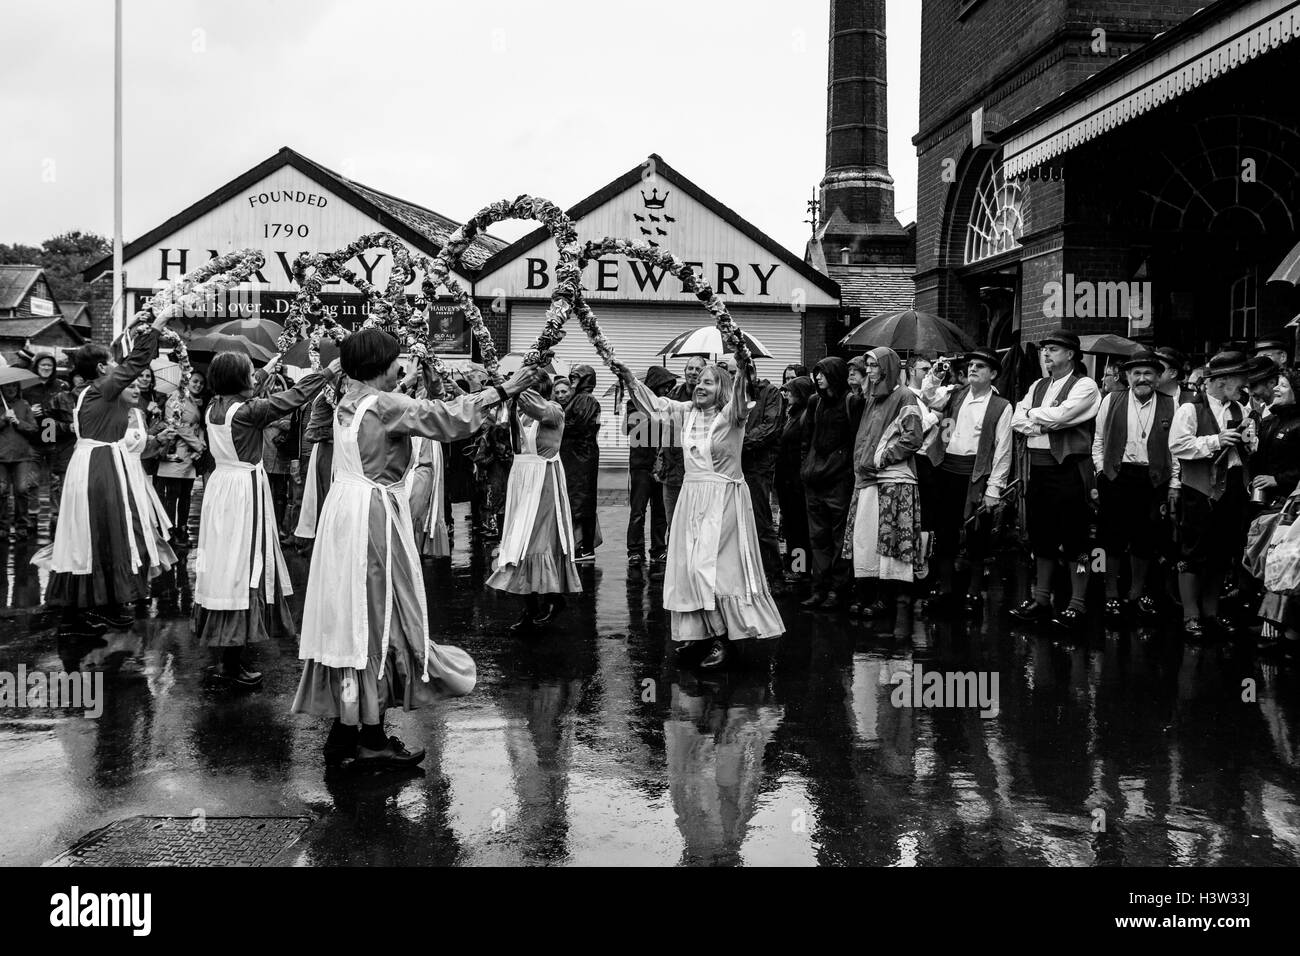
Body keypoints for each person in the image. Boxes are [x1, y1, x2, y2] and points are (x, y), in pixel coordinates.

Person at [292, 329, 544, 769]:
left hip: (344, 515)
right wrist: (502, 390)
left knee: (353, 619)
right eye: (394, 361)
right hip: (372, 517)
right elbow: (444, 417)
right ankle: (368, 738)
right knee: (381, 618)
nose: (399, 368)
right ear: (379, 365)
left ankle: (348, 727)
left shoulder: (347, 400)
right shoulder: (384, 403)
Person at [614, 355, 783, 670]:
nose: (700, 386)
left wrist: (743, 362)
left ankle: (725, 639)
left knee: (716, 571)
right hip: (692, 499)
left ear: (723, 389)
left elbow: (741, 392)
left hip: (724, 501)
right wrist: (629, 378)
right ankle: (699, 635)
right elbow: (655, 406)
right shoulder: (686, 413)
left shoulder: (733, 416)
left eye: (709, 381)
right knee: (690, 569)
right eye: (699, 381)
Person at [193, 352, 338, 687]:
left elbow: (256, 390)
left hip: (222, 489)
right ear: (238, 379)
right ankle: (232, 662)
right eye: (248, 371)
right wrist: (328, 372)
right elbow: (295, 397)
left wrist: (268, 369)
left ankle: (226, 652)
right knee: (246, 567)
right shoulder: (248, 412)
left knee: (225, 568)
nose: (252, 375)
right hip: (244, 491)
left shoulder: (215, 405)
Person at [38, 322, 177, 632]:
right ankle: (100, 603)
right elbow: (136, 363)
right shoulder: (100, 388)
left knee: (94, 532)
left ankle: (96, 601)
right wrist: (155, 326)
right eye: (112, 363)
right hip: (99, 464)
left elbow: (130, 365)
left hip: (95, 461)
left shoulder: (93, 390)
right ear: (102, 368)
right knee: (102, 530)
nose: (118, 367)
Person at [1009, 330, 1102, 631]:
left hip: (1070, 470)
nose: (1046, 354)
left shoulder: (1085, 385)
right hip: (1038, 469)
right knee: (1042, 535)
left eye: (1054, 349)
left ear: (1071, 354)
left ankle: (1077, 604)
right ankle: (1042, 598)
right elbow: (1016, 419)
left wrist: (1035, 419)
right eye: (1044, 349)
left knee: (1077, 540)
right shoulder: (1037, 384)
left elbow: (1063, 416)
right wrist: (1042, 422)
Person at [1169, 351, 1257, 639]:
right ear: (1222, 380)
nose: (1244, 384)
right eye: (1239, 378)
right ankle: (1190, 616)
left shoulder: (1240, 410)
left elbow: (1247, 449)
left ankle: (1211, 613)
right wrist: (1215, 440)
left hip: (1232, 487)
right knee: (1193, 553)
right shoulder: (1190, 409)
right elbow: (1178, 446)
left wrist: (1249, 442)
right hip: (1199, 489)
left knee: (1222, 552)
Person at [919, 347, 1012, 616]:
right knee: (945, 531)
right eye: (971, 365)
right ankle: (946, 588)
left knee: (976, 534)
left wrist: (994, 489)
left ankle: (973, 591)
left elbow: (1003, 450)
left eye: (980, 367)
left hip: (976, 474)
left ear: (993, 374)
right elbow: (929, 397)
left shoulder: (1001, 406)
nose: (973, 369)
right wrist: (935, 376)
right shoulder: (954, 394)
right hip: (946, 469)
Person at [488, 374, 581, 630]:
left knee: (534, 544)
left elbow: (535, 407)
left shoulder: (553, 410)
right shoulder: (518, 412)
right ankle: (529, 609)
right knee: (518, 544)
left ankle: (551, 598)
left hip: (544, 483)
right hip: (521, 482)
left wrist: (515, 386)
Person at [1090, 349, 1176, 623]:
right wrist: (1101, 473)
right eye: (1136, 373)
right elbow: (1098, 441)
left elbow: (1175, 451)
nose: (1142, 378)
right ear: (1127, 376)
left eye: (1148, 373)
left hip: (1152, 480)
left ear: (1158, 377)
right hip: (1116, 476)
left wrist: (1173, 483)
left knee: (1145, 539)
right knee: (1109, 538)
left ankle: (1136, 593)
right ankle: (1110, 592)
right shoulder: (1111, 400)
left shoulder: (1171, 404)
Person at [843, 348, 925, 625]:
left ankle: (886, 597)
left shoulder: (905, 396)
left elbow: (913, 437)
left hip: (893, 479)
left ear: (888, 368)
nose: (869, 370)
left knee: (888, 539)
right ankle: (866, 593)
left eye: (874, 365)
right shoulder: (872, 398)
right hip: (867, 479)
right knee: (866, 538)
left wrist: (883, 458)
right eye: (867, 365)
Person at [800, 357, 859, 610]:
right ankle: (819, 588)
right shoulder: (815, 402)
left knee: (838, 539)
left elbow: (856, 440)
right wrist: (806, 466)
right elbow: (807, 438)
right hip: (815, 481)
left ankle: (837, 590)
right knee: (818, 538)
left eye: (822, 372)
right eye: (816, 372)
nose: (818, 377)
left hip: (839, 482)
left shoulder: (851, 402)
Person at [732, 358, 784, 592]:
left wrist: (739, 443)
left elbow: (770, 427)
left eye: (742, 371)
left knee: (760, 522)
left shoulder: (770, 393)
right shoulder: (733, 395)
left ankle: (774, 576)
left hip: (757, 468)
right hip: (732, 467)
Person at [625, 366, 677, 569]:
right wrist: (654, 416)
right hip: (641, 465)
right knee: (638, 510)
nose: (666, 390)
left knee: (660, 510)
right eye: (664, 386)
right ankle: (635, 551)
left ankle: (658, 549)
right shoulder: (633, 404)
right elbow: (633, 429)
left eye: (669, 386)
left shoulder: (669, 406)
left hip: (663, 466)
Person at [22, 351, 75, 540]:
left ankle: (56, 517)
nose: (46, 368)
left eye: (49, 366)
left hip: (54, 439)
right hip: (33, 439)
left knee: (55, 482)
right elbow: (18, 410)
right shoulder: (26, 386)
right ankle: (32, 519)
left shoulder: (61, 386)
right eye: (42, 365)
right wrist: (28, 411)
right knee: (31, 482)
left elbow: (66, 412)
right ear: (36, 366)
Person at [154, 370, 206, 545]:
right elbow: (178, 426)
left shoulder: (195, 401)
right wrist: (198, 445)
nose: (198, 385)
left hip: (190, 455)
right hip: (176, 452)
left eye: (201, 383)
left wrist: (201, 444)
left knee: (186, 494)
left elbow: (198, 425)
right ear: (186, 381)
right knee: (173, 494)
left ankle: (182, 529)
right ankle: (169, 531)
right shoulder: (176, 399)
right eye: (195, 381)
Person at [775, 375, 814, 587]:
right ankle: (794, 565)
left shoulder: (804, 416)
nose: (787, 394)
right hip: (786, 481)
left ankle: (801, 568)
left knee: (799, 528)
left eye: (791, 391)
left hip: (796, 482)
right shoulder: (791, 415)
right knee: (791, 526)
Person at [659, 356, 706, 528]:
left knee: (696, 523)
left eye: (698, 369)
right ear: (684, 371)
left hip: (697, 471)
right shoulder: (673, 395)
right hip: (673, 469)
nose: (693, 372)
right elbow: (664, 430)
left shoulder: (708, 399)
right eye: (690, 368)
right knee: (673, 522)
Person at [561, 364, 602, 561]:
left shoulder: (585, 399)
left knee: (582, 501)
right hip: (575, 455)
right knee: (577, 500)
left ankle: (585, 546)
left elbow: (578, 426)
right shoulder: (579, 398)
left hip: (581, 457)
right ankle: (581, 545)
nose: (572, 380)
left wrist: (557, 423)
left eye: (576, 377)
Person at [294, 379, 341, 541]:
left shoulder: (342, 396)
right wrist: (341, 433)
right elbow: (312, 433)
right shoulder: (324, 399)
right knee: (325, 500)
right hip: (327, 454)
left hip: (339, 454)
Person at [1249, 366, 1300, 509]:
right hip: (1266, 501)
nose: (1276, 389)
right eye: (1277, 384)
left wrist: (1278, 480)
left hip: (1289, 504)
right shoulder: (1272, 420)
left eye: (1283, 385)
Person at [0, 383, 40, 542]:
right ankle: (2, 526)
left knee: (22, 489)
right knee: (1, 490)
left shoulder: (23, 405)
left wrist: (18, 422)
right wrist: (3, 419)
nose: (11, 390)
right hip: (1, 456)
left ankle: (22, 525)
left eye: (14, 387)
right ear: (1, 388)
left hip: (22, 456)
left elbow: (33, 428)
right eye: (7, 387)